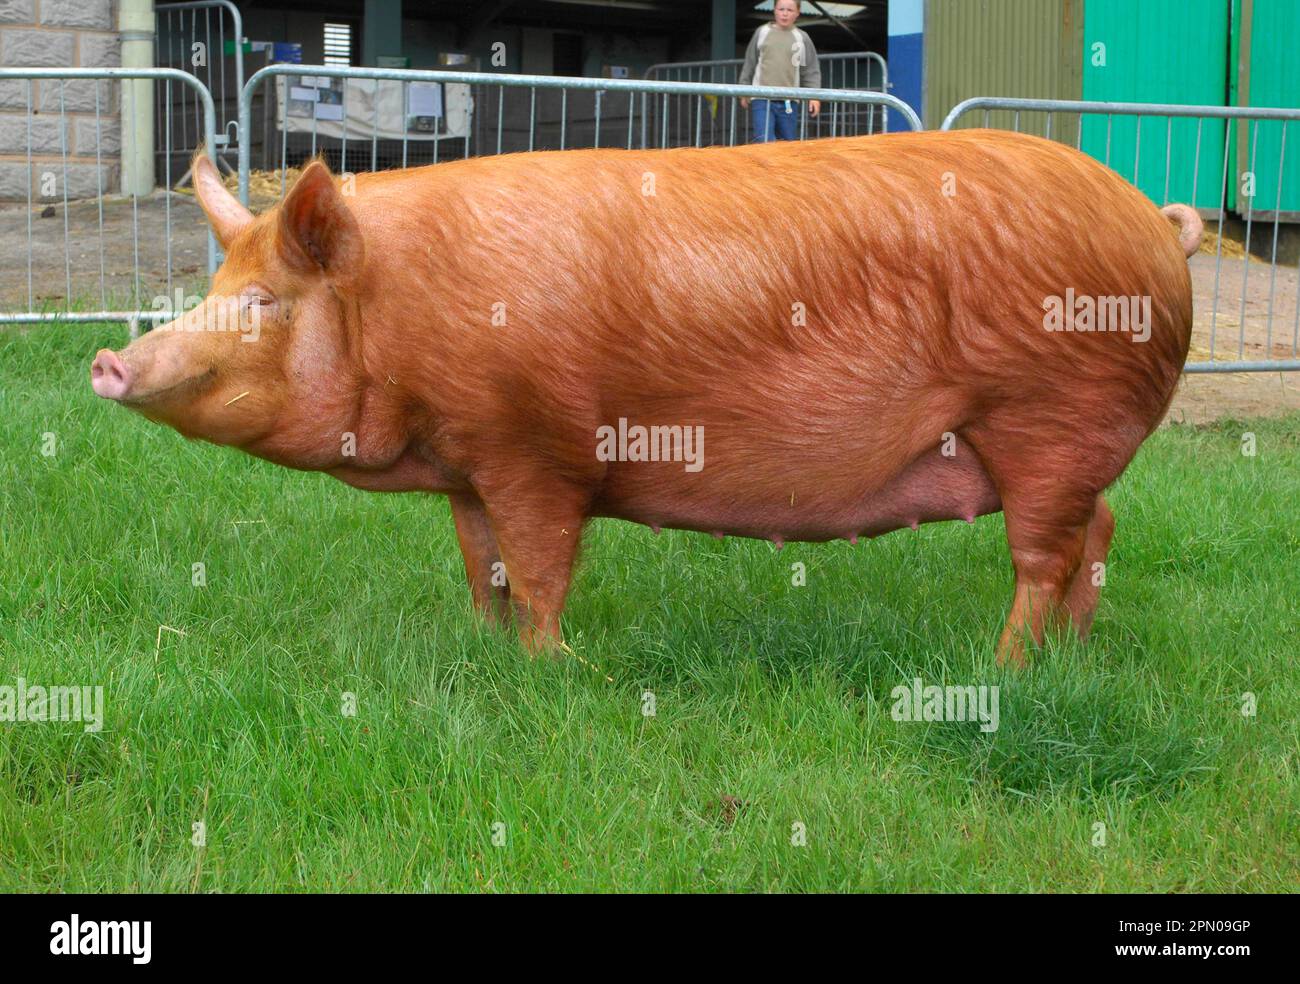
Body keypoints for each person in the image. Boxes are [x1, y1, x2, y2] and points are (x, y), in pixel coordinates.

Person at [737, 0, 822, 143]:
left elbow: (810, 69)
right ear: (774, 10)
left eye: (790, 10)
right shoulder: (762, 32)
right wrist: (744, 88)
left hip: (789, 99)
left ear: (797, 13)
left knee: (788, 143)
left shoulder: (802, 38)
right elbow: (750, 61)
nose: (785, 14)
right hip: (762, 98)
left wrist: (814, 96)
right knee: (763, 140)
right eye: (781, 9)